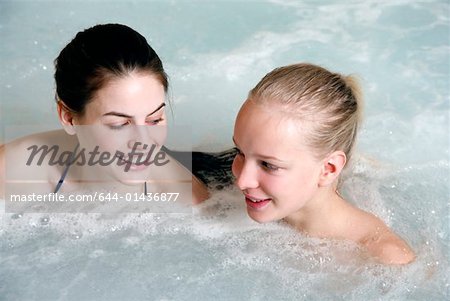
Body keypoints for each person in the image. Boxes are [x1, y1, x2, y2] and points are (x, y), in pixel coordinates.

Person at [0, 23, 208, 209]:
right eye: (119, 124)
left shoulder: (185, 204)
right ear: (69, 118)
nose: (143, 143)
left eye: (154, 120)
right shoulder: (11, 173)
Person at [231, 63, 415, 265]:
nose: (241, 181)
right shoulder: (220, 193)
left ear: (329, 169)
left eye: (268, 165)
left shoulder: (384, 260)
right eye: (239, 152)